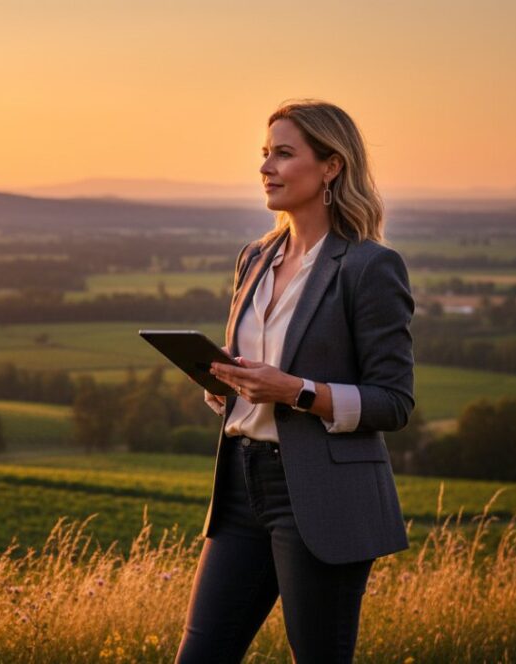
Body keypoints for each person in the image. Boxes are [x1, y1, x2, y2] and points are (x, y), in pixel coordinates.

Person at [174, 99, 414, 663]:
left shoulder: (369, 267)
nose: (266, 167)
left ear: (331, 166)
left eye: (284, 153)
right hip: (239, 485)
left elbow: (395, 402)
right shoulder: (255, 256)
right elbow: (256, 379)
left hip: (319, 496)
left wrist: (297, 391)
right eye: (265, 153)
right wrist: (225, 387)